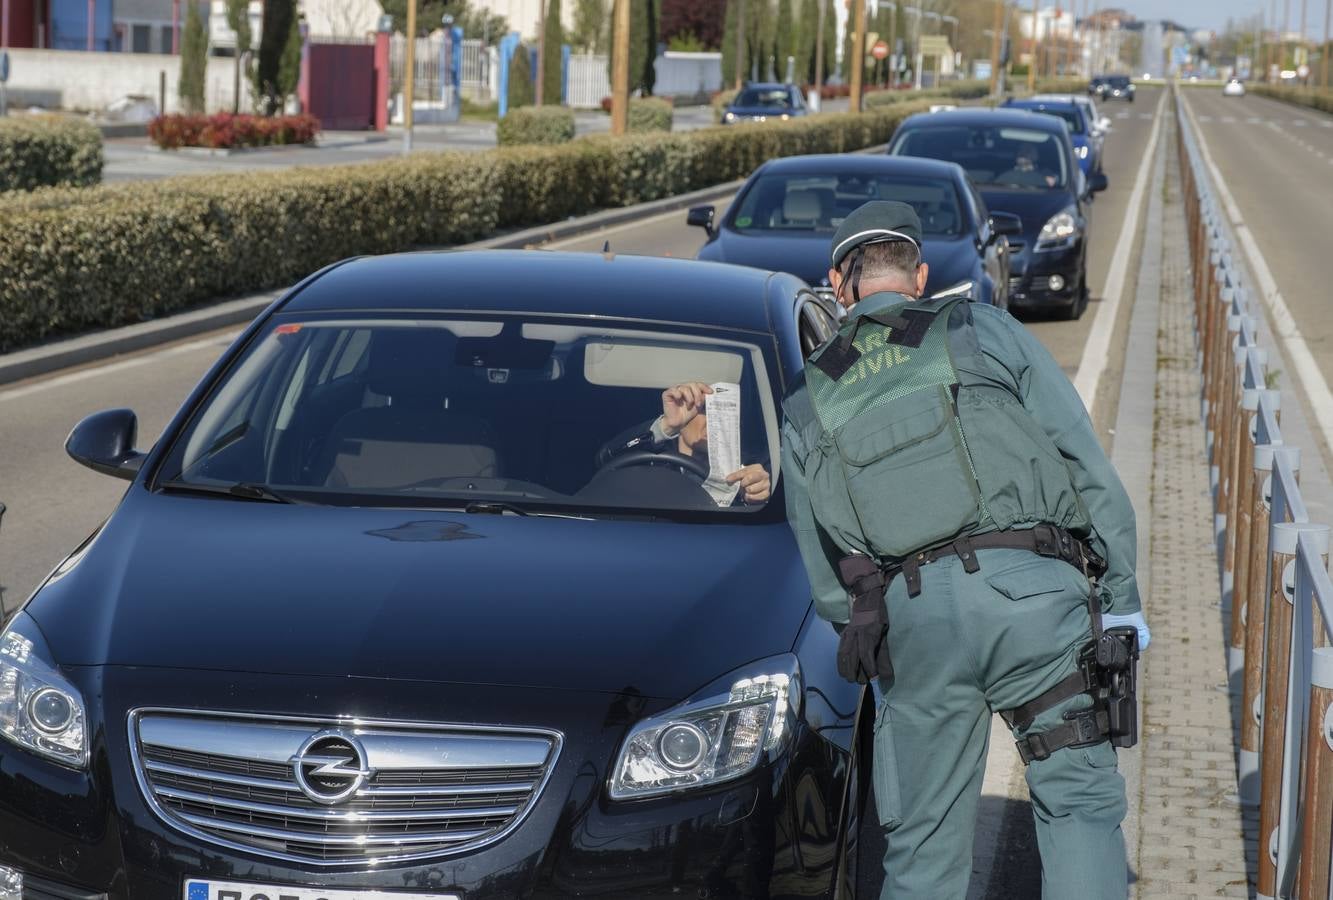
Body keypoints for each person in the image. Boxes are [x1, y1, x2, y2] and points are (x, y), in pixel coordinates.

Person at [780, 201, 1149, 898]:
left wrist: (868, 626)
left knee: (921, 854)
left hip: (916, 624)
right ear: (917, 276)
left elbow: (826, 573)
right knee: (1077, 806)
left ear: (837, 283)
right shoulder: (981, 329)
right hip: (1037, 602)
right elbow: (1084, 466)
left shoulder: (806, 397)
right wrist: (1120, 600)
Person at [599, 382, 771, 505]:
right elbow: (605, 459)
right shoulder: (649, 459)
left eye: (721, 410)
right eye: (704, 409)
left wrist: (756, 496)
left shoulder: (750, 468)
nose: (713, 418)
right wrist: (666, 426)